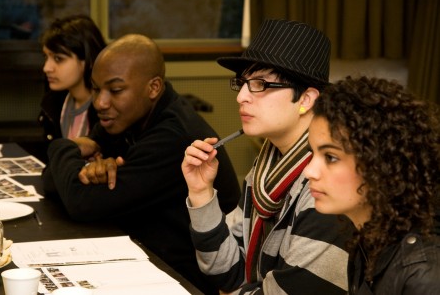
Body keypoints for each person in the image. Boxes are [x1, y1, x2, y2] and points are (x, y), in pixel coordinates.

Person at [41, 33, 241, 294]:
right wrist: (74, 162)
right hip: (137, 253)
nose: (100, 102)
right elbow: (52, 178)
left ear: (153, 88)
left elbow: (80, 201)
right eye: (96, 88)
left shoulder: (174, 136)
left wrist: (63, 146)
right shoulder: (126, 116)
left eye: (115, 90)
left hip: (181, 278)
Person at [182, 19, 353, 294]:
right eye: (243, 83)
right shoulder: (264, 170)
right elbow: (224, 272)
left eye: (260, 84)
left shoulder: (327, 187)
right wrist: (201, 192)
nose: (242, 97)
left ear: (306, 99)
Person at [304, 76, 440, 294]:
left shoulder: (424, 276)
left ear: (381, 164)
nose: (308, 171)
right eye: (313, 154)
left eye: (330, 157)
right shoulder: (367, 236)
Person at [37, 14, 106, 162]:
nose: (47, 68)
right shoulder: (54, 102)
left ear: (88, 59)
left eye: (58, 59)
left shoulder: (106, 108)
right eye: (46, 57)